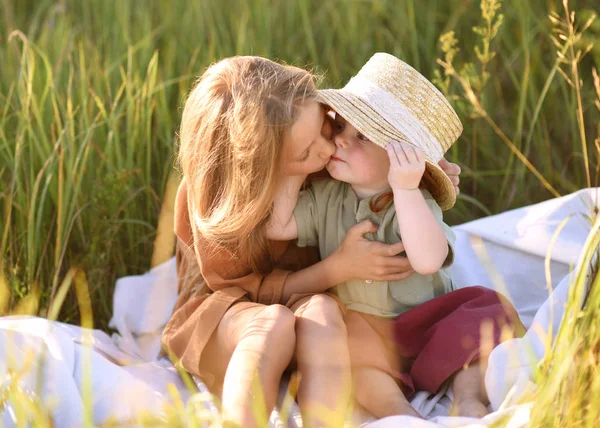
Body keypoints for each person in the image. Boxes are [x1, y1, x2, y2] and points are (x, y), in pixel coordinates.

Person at [161, 55, 463, 427]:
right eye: (304, 153)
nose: (327, 149)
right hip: (232, 312)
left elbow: (382, 162)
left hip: (313, 304)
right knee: (270, 325)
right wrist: (337, 268)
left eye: (325, 124)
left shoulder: (327, 153)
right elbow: (245, 292)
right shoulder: (213, 201)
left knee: (323, 312)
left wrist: (431, 171)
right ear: (256, 166)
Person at [266, 53, 523, 419]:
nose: (340, 142)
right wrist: (293, 166)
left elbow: (428, 260)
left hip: (428, 318)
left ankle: (468, 398)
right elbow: (277, 226)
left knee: (487, 309)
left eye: (363, 137)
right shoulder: (324, 196)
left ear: (402, 159)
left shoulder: (415, 198)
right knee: (342, 346)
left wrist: (404, 189)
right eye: (341, 128)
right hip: (366, 327)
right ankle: (399, 412)